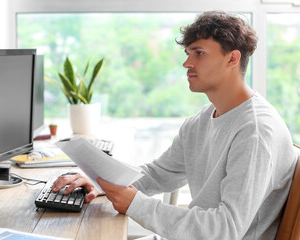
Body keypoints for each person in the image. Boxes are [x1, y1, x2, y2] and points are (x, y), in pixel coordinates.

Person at [52, 11, 298, 239]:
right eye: (188, 53)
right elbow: (159, 174)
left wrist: (135, 203)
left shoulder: (255, 131)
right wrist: (98, 181)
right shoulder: (202, 120)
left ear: (232, 58)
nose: (187, 63)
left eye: (199, 53)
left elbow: (226, 230)